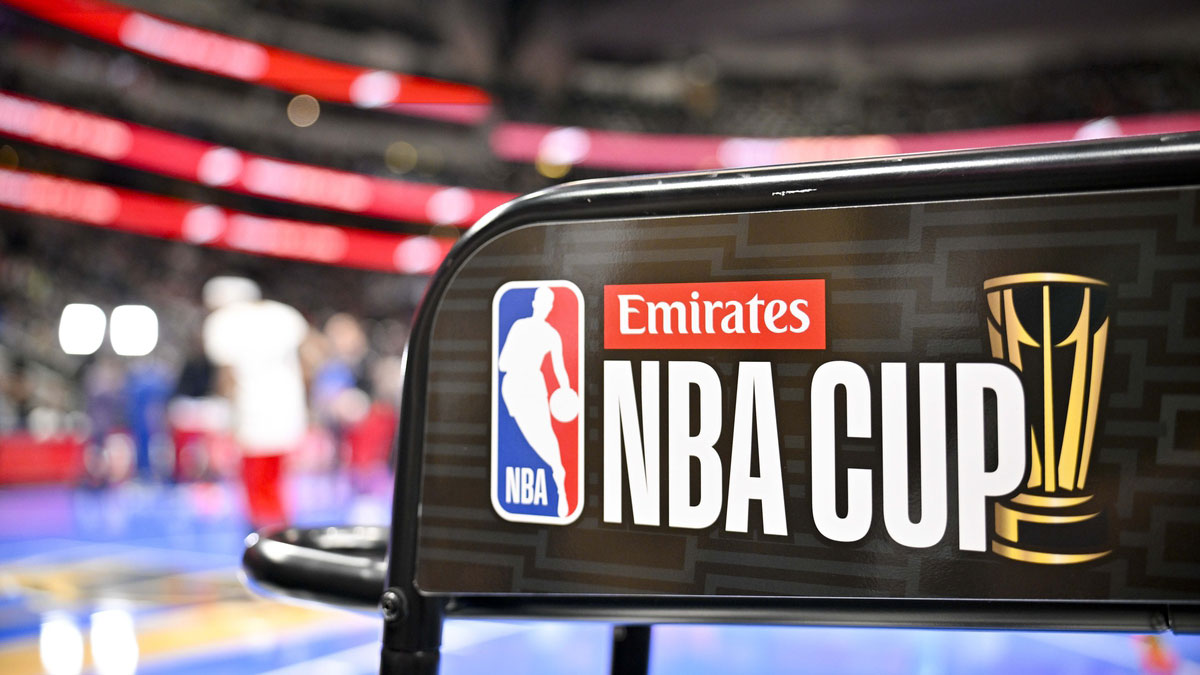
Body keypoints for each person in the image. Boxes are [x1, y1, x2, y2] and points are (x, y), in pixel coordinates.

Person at [202, 276, 308, 529]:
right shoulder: (284, 315)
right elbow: (310, 356)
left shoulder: (223, 322)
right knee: (276, 478)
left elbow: (226, 377)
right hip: (287, 409)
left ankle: (263, 537)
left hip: (252, 413)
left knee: (255, 480)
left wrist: (227, 413)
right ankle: (281, 531)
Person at [497, 286, 575, 518]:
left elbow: (560, 369)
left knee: (543, 434)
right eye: (543, 302)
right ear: (536, 304)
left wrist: (566, 390)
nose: (544, 307)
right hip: (515, 387)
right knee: (531, 436)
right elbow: (502, 363)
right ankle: (557, 474)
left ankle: (559, 477)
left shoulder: (550, 334)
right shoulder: (523, 328)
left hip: (530, 386)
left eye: (547, 303)